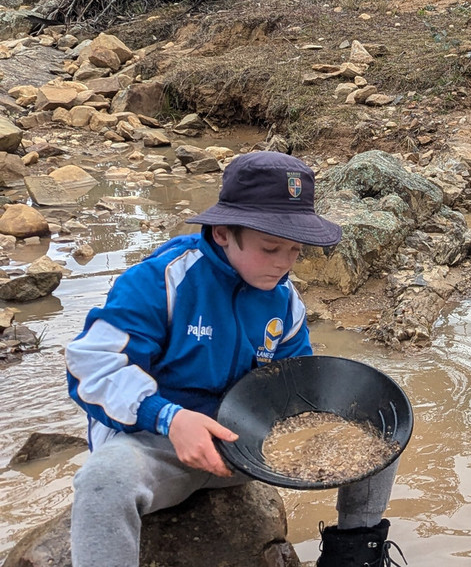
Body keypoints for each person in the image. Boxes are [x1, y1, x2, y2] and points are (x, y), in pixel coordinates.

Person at [65, 150, 403, 567]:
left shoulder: (285, 302)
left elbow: (296, 387)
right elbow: (89, 368)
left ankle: (353, 552)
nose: (284, 263)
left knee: (377, 418)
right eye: (270, 247)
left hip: (247, 450)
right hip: (161, 446)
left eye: (295, 249)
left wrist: (330, 425)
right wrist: (169, 418)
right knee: (103, 480)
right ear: (223, 232)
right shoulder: (161, 280)